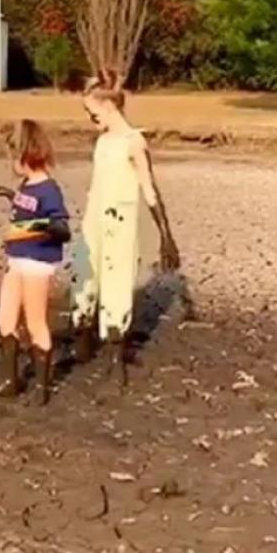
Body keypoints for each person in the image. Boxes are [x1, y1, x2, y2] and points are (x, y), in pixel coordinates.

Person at [70, 68, 180, 385]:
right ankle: (83, 339)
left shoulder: (134, 142)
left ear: (107, 107)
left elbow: (150, 188)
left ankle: (116, 357)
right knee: (84, 274)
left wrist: (166, 235)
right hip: (95, 218)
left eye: (92, 113)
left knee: (117, 283)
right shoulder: (103, 142)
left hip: (121, 222)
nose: (91, 119)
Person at [0, 120, 71, 404]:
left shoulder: (49, 189)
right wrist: (10, 195)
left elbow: (62, 229)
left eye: (13, 158)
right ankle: (12, 380)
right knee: (5, 319)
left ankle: (42, 388)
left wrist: (35, 227)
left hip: (37, 261)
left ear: (26, 156)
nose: (11, 165)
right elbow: (28, 206)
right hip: (17, 258)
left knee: (35, 321)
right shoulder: (27, 186)